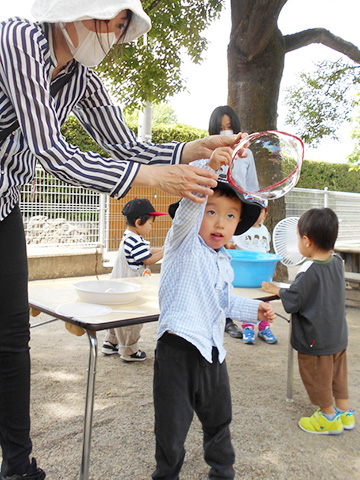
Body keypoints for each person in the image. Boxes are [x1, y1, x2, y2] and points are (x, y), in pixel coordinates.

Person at [0, 1, 241, 478]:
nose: (112, 40)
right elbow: (51, 151)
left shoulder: (81, 79)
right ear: (79, 11)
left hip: (4, 201)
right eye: (113, 25)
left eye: (120, 31)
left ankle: (16, 464)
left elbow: (127, 145)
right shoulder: (20, 38)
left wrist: (192, 149)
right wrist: (152, 178)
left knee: (11, 337)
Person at [152, 148, 276, 479]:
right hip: (177, 350)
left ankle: (222, 472)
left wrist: (257, 310)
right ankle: (166, 474)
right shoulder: (183, 242)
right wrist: (210, 168)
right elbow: (189, 209)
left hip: (212, 352)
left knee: (220, 419)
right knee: (172, 427)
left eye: (231, 216)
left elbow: (224, 302)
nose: (221, 222)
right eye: (211, 212)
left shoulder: (223, 261)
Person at [262, 208, 354, 435]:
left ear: (306, 240)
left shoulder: (309, 270)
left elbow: (294, 300)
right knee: (337, 374)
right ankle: (344, 413)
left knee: (318, 376)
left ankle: (327, 417)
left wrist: (276, 290)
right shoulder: (336, 261)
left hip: (316, 339)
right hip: (338, 335)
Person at [207, 105, 256, 338]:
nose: (225, 132)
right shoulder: (206, 151)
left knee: (226, 267)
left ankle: (226, 317)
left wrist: (257, 210)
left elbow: (251, 185)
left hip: (232, 217)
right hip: (211, 217)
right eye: (220, 128)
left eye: (229, 127)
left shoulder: (247, 153)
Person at [102, 198, 165, 362]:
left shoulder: (130, 238)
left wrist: (165, 248)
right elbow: (148, 259)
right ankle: (129, 350)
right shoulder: (134, 240)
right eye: (150, 223)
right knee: (131, 320)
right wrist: (166, 252)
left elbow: (148, 251)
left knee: (117, 316)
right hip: (129, 289)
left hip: (119, 287)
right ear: (139, 222)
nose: (151, 227)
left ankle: (111, 342)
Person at [227, 200, 278, 345]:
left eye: (260, 211)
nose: (257, 215)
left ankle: (264, 328)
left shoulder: (264, 231)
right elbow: (231, 248)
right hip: (246, 272)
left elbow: (267, 252)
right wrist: (230, 246)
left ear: (265, 214)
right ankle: (248, 328)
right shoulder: (241, 228)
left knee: (264, 299)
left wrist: (271, 268)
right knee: (248, 299)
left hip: (261, 273)